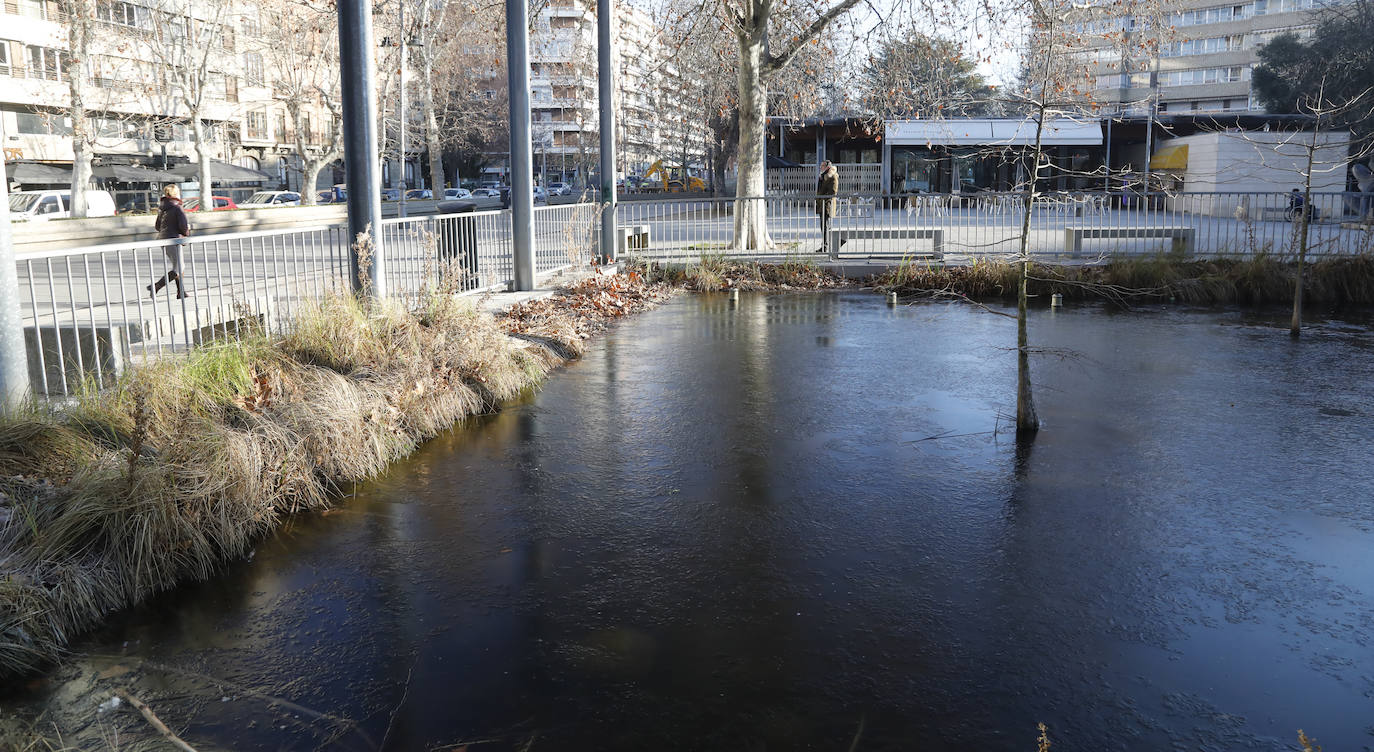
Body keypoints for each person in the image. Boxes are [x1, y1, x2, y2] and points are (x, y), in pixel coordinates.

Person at [148, 185, 190, 299]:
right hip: (174, 239)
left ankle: (181, 292)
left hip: (164, 239)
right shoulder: (177, 207)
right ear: (176, 194)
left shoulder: (162, 207)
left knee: (178, 266)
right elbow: (183, 226)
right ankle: (156, 286)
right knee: (179, 267)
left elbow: (157, 226)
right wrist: (187, 233)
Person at [816, 160, 839, 253]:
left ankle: (826, 246)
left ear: (827, 167)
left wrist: (823, 198)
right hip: (822, 204)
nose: (820, 167)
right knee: (823, 226)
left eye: (822, 166)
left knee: (825, 226)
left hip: (827, 204)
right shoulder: (823, 176)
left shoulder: (832, 176)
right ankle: (825, 245)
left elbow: (833, 192)